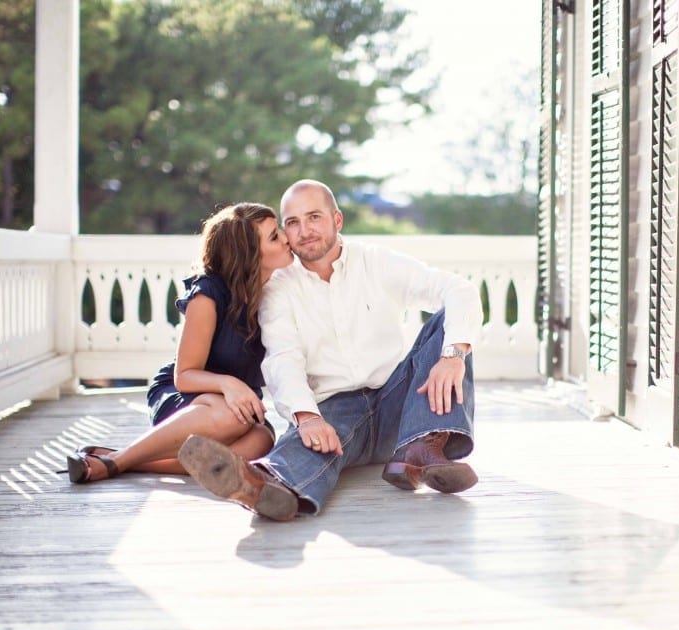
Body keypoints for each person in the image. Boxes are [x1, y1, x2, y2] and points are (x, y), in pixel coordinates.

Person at [178, 179, 483, 521]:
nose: (304, 231)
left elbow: (460, 290)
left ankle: (424, 447)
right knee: (309, 437)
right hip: (335, 414)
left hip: (402, 411)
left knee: (448, 324)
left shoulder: (376, 261)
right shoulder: (279, 288)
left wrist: (452, 356)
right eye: (292, 223)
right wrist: (306, 418)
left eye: (314, 217)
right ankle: (265, 485)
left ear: (337, 220)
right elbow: (283, 357)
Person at [64, 202, 293, 483]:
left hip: (236, 409)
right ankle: (114, 461)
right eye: (274, 236)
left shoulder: (278, 292)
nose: (286, 237)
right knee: (233, 419)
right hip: (185, 396)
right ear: (249, 253)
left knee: (261, 442)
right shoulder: (208, 295)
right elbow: (184, 376)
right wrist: (228, 384)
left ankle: (127, 460)